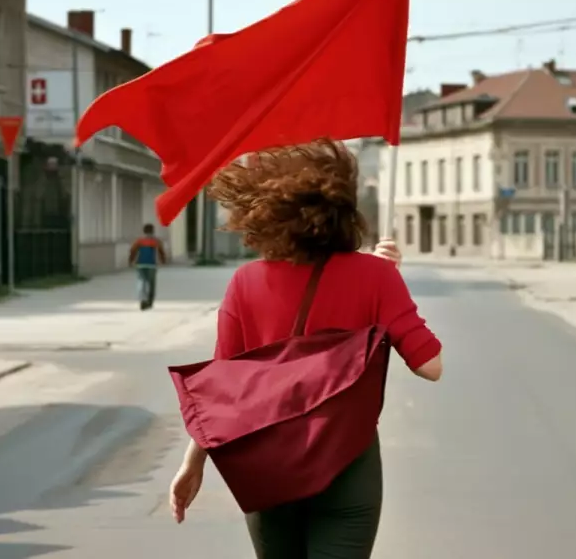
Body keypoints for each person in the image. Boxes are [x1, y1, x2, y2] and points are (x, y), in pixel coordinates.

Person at [168, 138, 443, 558]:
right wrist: (389, 285)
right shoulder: (377, 276)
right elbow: (431, 365)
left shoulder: (245, 282)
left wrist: (194, 463)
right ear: (343, 209)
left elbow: (221, 389)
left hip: (268, 466)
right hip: (348, 466)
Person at [129, 223, 167, 310]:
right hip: (152, 265)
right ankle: (149, 301)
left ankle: (143, 299)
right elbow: (161, 252)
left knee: (141, 282)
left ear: (144, 231)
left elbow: (133, 251)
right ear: (153, 231)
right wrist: (163, 261)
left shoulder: (139, 241)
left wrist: (131, 261)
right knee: (151, 283)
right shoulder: (156, 241)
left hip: (140, 265)